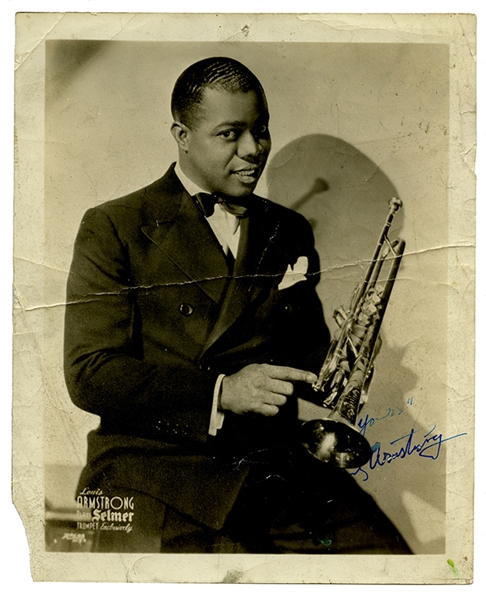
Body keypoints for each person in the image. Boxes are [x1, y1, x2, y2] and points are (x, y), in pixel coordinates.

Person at [64, 56, 411, 554]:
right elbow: (89, 374)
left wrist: (341, 359)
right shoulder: (114, 226)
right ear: (182, 134)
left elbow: (299, 352)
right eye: (231, 134)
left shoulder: (287, 228)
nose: (254, 150)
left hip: (273, 465)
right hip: (158, 472)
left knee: (391, 562)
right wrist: (221, 392)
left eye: (261, 130)